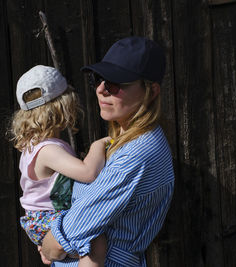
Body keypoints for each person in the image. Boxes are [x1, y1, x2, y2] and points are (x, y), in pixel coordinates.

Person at [40, 36, 175, 266]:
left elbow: (63, 239)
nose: (101, 90)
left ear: (151, 91)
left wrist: (51, 241)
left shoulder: (137, 153)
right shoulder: (130, 140)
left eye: (116, 83)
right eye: (99, 79)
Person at [8, 65, 109, 266]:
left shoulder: (33, 146)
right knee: (95, 239)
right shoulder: (48, 150)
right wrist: (100, 144)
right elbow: (88, 173)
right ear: (63, 107)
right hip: (49, 219)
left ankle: (51, 250)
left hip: (41, 220)